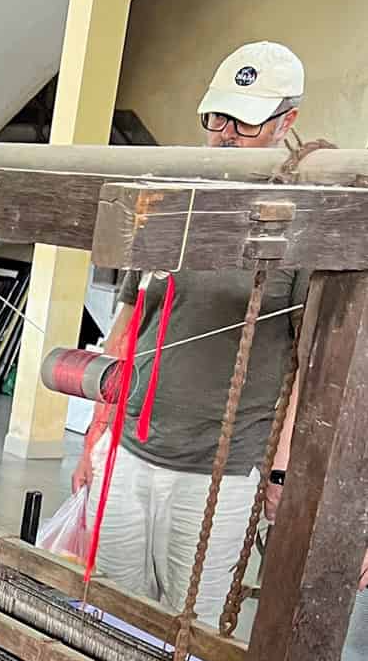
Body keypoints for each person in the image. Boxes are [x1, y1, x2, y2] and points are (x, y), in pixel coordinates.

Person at [74, 41, 306, 622]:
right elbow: (128, 326)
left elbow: (307, 365)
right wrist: (98, 432)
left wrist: (279, 471)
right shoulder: (171, 203)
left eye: (246, 124)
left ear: (287, 122)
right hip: (128, 449)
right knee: (111, 612)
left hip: (221, 471)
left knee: (191, 629)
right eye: (218, 118)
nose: (226, 135)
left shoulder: (304, 226)